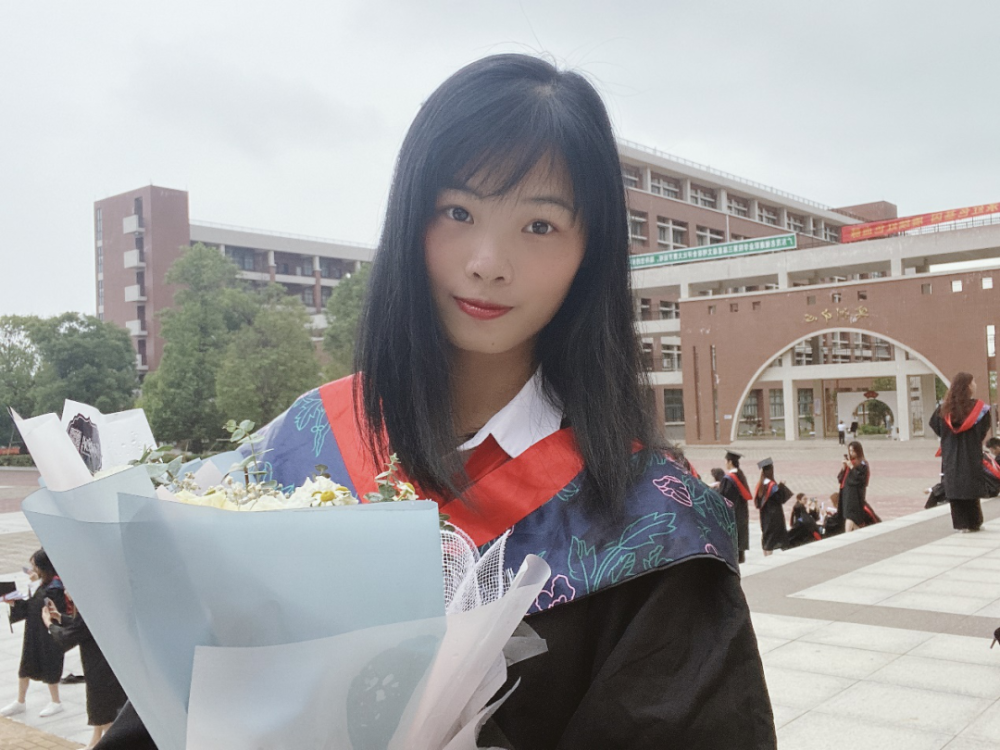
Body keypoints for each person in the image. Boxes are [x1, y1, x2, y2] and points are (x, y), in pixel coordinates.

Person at [96, 55, 776, 749]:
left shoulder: (651, 528)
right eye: (457, 211)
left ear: (589, 253)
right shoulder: (299, 448)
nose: (488, 260)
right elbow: (164, 714)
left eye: (539, 225)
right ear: (409, 220)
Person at [43, 601, 127, 749]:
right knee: (101, 709)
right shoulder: (96, 606)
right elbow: (81, 626)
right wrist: (61, 617)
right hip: (106, 665)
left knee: (103, 711)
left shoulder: (89, 609)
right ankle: (95, 742)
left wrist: (49, 624)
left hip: (100, 668)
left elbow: (67, 637)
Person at [1, 550, 67, 719]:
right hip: (34, 630)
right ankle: (20, 701)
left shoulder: (56, 586)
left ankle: (56, 702)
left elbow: (42, 606)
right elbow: (31, 607)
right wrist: (14, 601)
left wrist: (32, 586)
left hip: (48, 633)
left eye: (35, 566)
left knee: (50, 664)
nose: (33, 570)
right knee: (26, 664)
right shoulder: (44, 583)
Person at [930, 372, 992, 532]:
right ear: (968, 386)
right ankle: (974, 522)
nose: (975, 385)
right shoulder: (979, 409)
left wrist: (947, 438)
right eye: (974, 382)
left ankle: (960, 524)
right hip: (970, 454)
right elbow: (983, 431)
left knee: (955, 486)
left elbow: (935, 425)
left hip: (951, 455)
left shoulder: (944, 409)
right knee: (970, 485)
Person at [717, 450, 753, 564]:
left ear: (730, 462)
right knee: (739, 542)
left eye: (726, 461)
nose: (725, 463)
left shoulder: (728, 479)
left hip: (732, 515)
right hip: (741, 514)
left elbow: (722, 497)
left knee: (732, 542)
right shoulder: (740, 475)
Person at [754, 458, 791, 555]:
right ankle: (769, 559)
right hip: (774, 516)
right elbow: (780, 499)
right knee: (772, 538)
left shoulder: (760, 485)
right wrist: (782, 486)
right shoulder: (772, 486)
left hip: (764, 515)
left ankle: (766, 556)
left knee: (766, 536)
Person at [838, 441, 870, 532]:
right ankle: (858, 530)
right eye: (850, 451)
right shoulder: (850, 462)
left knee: (850, 515)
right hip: (846, 491)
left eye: (853, 451)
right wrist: (844, 468)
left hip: (855, 493)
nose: (851, 453)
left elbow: (861, 479)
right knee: (847, 514)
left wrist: (852, 467)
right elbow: (840, 478)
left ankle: (847, 534)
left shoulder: (862, 463)